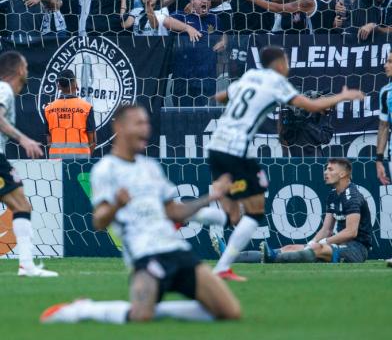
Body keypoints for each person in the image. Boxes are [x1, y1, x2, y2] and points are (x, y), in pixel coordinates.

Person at [40, 104, 241, 324]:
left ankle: (160, 310)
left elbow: (174, 211)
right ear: (120, 126)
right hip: (145, 256)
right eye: (139, 123)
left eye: (147, 123)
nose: (146, 129)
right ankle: (83, 310)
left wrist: (210, 198)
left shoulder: (151, 167)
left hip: (176, 250)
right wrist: (117, 204)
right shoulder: (105, 169)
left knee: (230, 312)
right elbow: (98, 221)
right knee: (141, 316)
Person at [204, 46, 364, 281]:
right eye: (286, 61)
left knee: (237, 216)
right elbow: (313, 106)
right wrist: (343, 97)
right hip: (235, 149)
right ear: (279, 64)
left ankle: (195, 218)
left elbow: (221, 97)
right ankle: (212, 249)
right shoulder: (276, 82)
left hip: (216, 144)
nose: (287, 66)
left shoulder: (249, 76)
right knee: (253, 210)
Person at [0, 51, 58, 277]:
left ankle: (27, 265)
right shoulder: (3, 89)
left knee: (21, 205)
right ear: (19, 70)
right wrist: (23, 139)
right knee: (22, 205)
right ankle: (27, 266)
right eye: (25, 66)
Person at [262, 158, 373, 264]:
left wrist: (324, 242)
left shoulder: (352, 197)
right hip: (338, 244)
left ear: (342, 174)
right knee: (290, 247)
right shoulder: (333, 195)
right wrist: (311, 243)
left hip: (357, 249)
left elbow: (351, 232)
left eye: (330, 169)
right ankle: (261, 255)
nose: (325, 172)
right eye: (326, 169)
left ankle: (273, 258)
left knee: (317, 248)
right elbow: (326, 230)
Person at [44, 69, 96, 159]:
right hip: (80, 160)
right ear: (75, 84)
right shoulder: (86, 108)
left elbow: (49, 141)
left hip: (56, 160)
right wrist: (86, 157)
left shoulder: (49, 109)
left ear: (58, 86)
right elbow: (93, 141)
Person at [375, 51, 392, 267]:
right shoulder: (386, 92)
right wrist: (379, 159)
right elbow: (383, 126)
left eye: (390, 61)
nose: (385, 65)